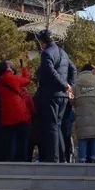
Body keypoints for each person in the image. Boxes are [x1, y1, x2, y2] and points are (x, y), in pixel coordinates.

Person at [34, 29, 75, 163]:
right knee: (57, 126)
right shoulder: (63, 53)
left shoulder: (47, 53)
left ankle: (54, 158)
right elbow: (73, 69)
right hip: (63, 96)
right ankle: (62, 157)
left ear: (42, 42)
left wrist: (65, 85)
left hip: (51, 94)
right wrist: (70, 86)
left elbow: (50, 71)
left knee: (51, 126)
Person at [0, 59, 32, 162]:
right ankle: (21, 161)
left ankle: (9, 160)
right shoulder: (12, 78)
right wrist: (24, 68)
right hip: (20, 114)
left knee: (10, 141)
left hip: (6, 115)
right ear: (8, 68)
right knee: (22, 141)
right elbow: (27, 80)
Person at [73, 64, 95, 163]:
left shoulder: (76, 84)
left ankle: (82, 160)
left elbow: (71, 99)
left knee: (82, 138)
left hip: (81, 117)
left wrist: (77, 105)